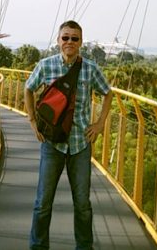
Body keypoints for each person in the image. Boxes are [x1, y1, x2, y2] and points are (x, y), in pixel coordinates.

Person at [24, 20, 113, 250]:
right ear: (58, 40)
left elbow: (108, 93)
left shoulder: (90, 68)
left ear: (81, 42)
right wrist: (32, 120)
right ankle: (38, 246)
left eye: (74, 38)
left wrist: (100, 123)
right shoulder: (46, 66)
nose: (69, 42)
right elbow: (28, 88)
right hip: (52, 143)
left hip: (80, 144)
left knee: (82, 203)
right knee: (43, 202)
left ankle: (84, 247)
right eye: (65, 38)